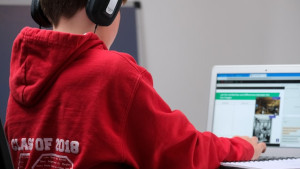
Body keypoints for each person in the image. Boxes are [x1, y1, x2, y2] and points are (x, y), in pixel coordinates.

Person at [5, 0, 266, 168]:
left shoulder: (23, 77)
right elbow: (185, 152)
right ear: (103, 8)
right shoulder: (114, 73)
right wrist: (242, 146)